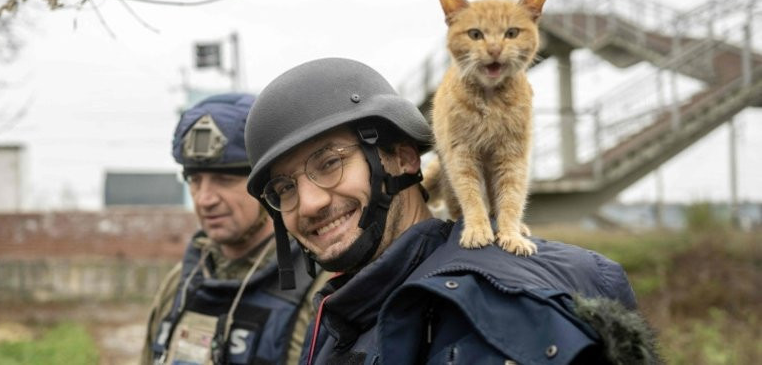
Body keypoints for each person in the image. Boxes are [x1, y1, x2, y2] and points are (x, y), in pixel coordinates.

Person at [243, 58, 658, 364]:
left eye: (330, 163)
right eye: (284, 188)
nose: (310, 202)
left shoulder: (487, 311)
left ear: (403, 159)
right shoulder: (348, 308)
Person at [140, 93, 329, 365]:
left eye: (224, 180)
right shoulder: (181, 281)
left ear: (269, 186)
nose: (205, 199)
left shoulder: (320, 290)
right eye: (194, 180)